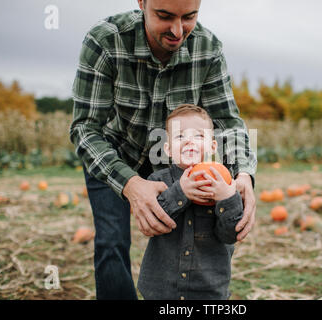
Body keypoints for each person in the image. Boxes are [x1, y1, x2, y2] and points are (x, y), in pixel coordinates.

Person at [70, 0, 257, 300]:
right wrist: (131, 185)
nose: (177, 30)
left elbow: (228, 121)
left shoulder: (207, 48)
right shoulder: (105, 41)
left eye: (189, 17)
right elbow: (85, 129)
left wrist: (244, 173)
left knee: (196, 234)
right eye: (164, 16)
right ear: (142, 3)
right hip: (115, 155)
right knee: (112, 241)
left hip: (180, 161)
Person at [138, 104, 243, 300]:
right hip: (161, 290)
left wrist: (227, 198)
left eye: (198, 136)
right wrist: (180, 192)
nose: (189, 142)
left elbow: (230, 235)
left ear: (213, 146)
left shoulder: (224, 183)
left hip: (208, 291)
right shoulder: (156, 182)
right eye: (180, 136)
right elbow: (152, 223)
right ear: (168, 149)